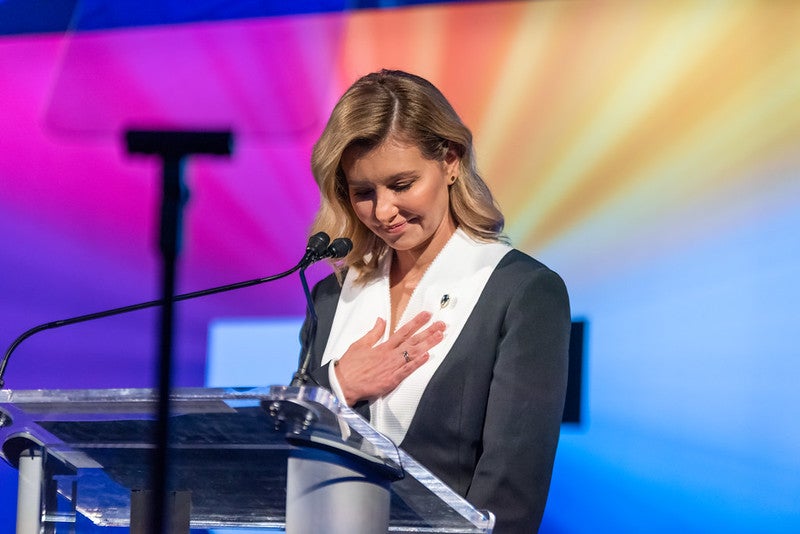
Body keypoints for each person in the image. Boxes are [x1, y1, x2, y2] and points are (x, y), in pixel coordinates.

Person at [301, 69, 570, 533]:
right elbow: (293, 437)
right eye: (363, 193)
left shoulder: (520, 291)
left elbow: (511, 496)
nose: (382, 212)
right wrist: (341, 383)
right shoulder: (331, 294)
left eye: (401, 185)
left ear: (450, 161)